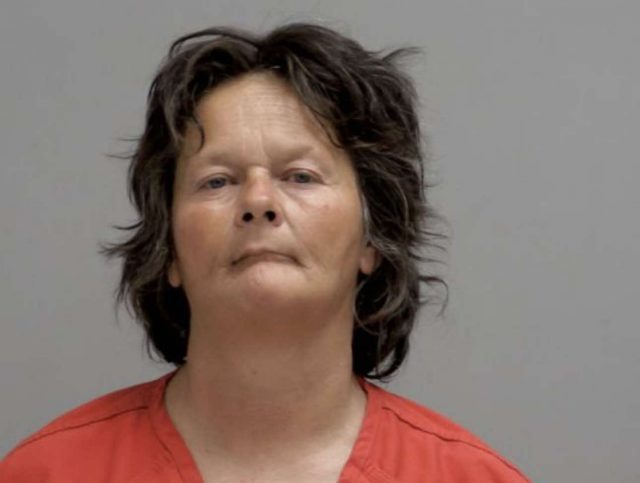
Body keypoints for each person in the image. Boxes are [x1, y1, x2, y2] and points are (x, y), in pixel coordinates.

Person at [1, 22, 530, 482]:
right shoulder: (45, 473)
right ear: (169, 250)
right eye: (217, 181)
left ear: (373, 239)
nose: (258, 202)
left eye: (300, 176)